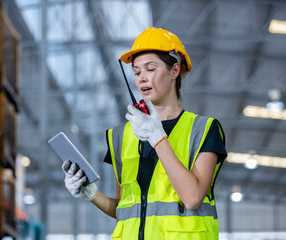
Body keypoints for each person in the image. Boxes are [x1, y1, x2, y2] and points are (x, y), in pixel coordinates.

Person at [62, 27, 227, 240]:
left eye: (150, 69)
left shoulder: (204, 130)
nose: (142, 78)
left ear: (174, 71)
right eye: (137, 72)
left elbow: (193, 197)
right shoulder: (120, 136)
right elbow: (125, 209)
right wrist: (92, 194)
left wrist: (157, 137)